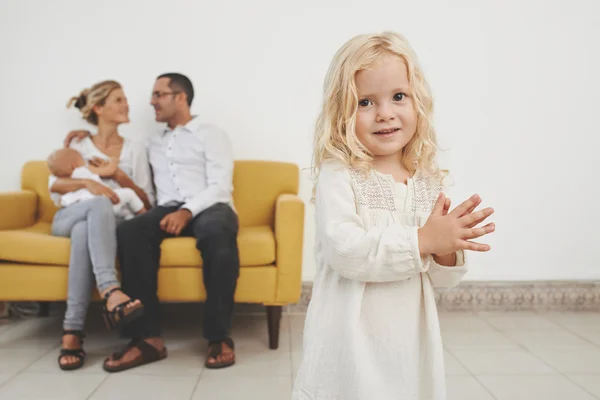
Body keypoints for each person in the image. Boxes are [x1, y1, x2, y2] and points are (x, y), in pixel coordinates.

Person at [292, 32, 496, 399]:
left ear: (417, 101)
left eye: (398, 97)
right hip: (348, 344)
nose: (385, 113)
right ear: (342, 111)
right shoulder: (339, 174)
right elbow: (346, 251)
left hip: (408, 344)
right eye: (366, 102)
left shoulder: (426, 179)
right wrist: (422, 240)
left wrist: (448, 247)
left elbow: (440, 280)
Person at [81, 73, 239, 372]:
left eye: (158, 95)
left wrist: (187, 212)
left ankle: (219, 337)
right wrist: (79, 137)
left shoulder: (211, 133)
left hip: (210, 206)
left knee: (219, 234)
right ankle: (146, 338)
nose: (151, 102)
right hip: (166, 207)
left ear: (180, 98)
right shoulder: (151, 141)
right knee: (131, 232)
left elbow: (220, 186)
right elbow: (110, 151)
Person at [50, 80, 154, 371]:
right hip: (67, 218)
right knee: (96, 205)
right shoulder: (78, 144)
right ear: (98, 108)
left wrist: (117, 175)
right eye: (118, 100)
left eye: (125, 99)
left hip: (107, 227)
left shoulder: (134, 149)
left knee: (88, 228)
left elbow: (147, 200)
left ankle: (72, 332)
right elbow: (55, 184)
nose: (126, 105)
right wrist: (86, 183)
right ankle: (111, 291)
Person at [48, 148, 147, 219]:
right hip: (105, 205)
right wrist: (114, 161)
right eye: (82, 159)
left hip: (85, 214)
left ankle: (129, 217)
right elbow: (109, 171)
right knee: (129, 194)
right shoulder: (82, 170)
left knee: (122, 208)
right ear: (75, 165)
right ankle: (143, 215)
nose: (85, 162)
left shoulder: (61, 181)